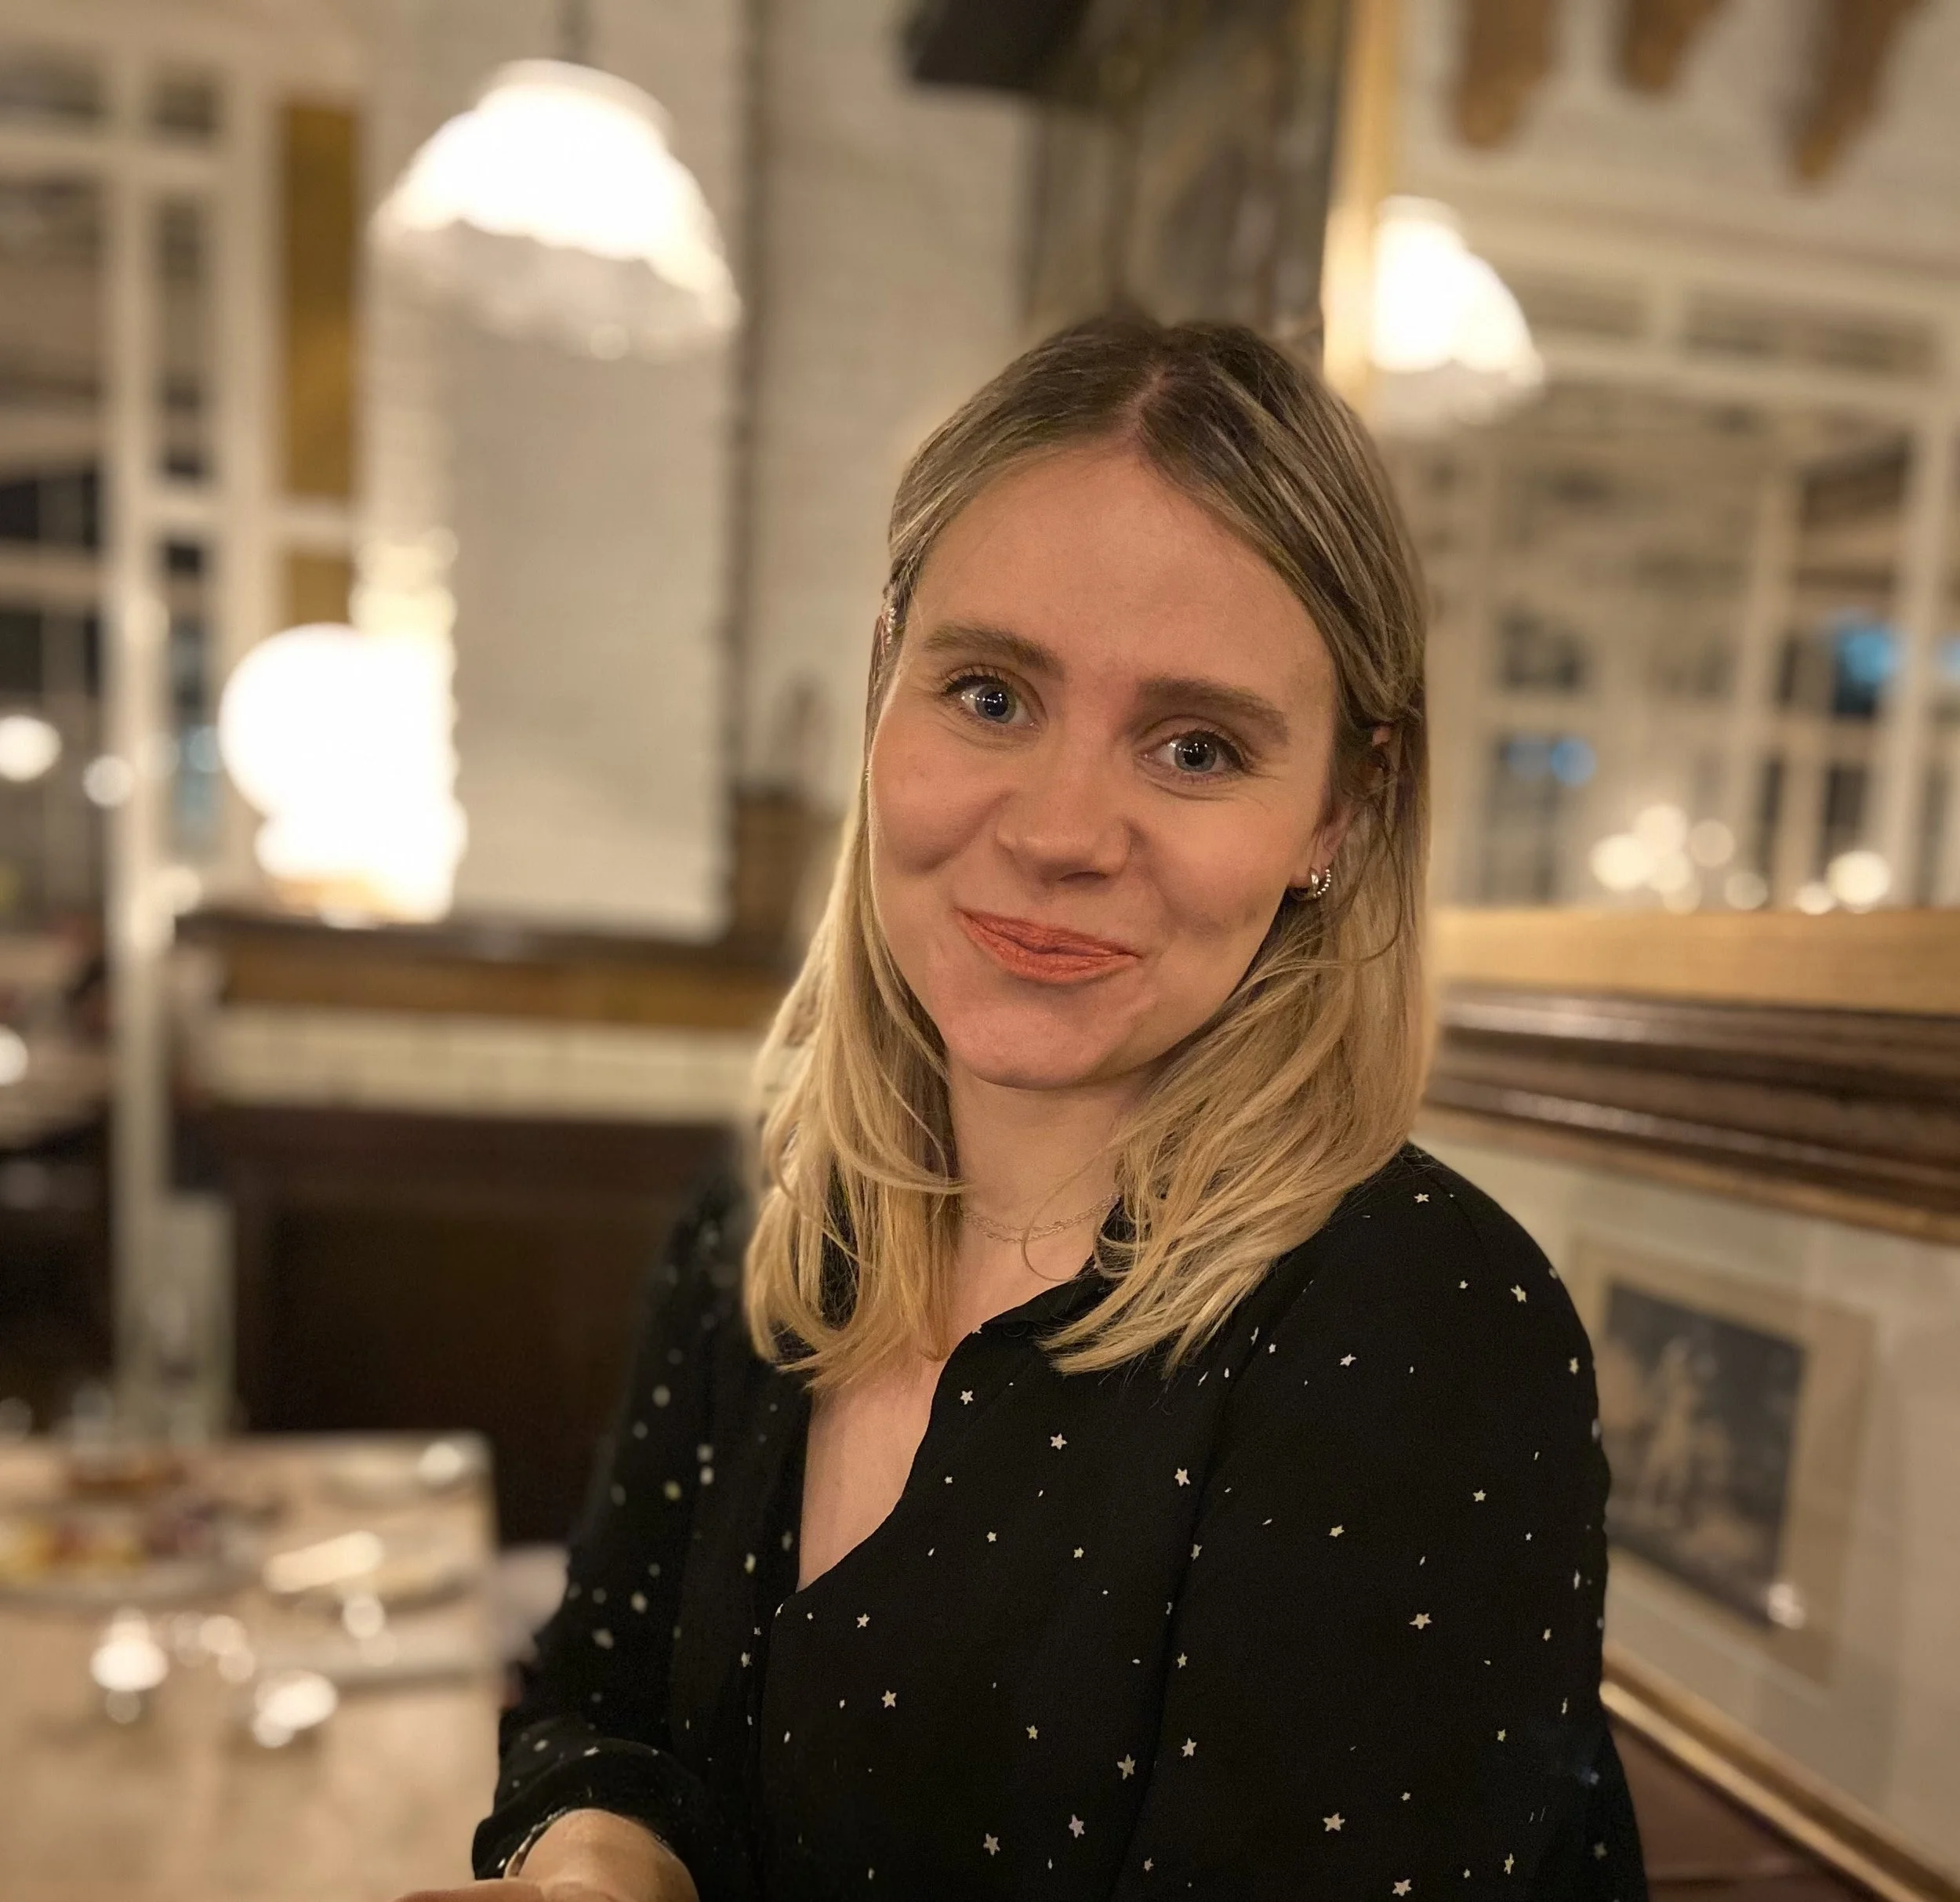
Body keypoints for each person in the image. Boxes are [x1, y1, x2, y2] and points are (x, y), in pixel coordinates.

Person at [405, 317, 1646, 1901]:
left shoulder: (1424, 1328)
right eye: (989, 695)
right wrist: (595, 1864)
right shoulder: (770, 1208)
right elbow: (599, 1700)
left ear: (1340, 810)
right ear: (886, 687)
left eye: (1194, 746)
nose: (1062, 831)